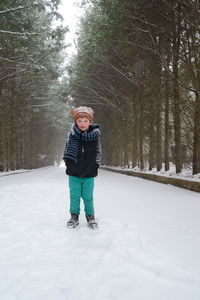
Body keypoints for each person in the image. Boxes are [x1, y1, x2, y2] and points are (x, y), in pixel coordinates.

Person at [63, 106, 102, 229]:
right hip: (74, 174)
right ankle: (74, 217)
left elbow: (98, 152)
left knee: (88, 197)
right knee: (74, 196)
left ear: (90, 122)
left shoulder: (94, 137)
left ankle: (90, 217)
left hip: (89, 174)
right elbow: (66, 151)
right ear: (75, 122)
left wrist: (95, 165)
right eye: (79, 120)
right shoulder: (71, 136)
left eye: (85, 120)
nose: (82, 123)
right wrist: (69, 164)